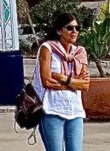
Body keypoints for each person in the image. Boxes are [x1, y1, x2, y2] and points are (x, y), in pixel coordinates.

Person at [33, 13, 90, 151]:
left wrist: (64, 79)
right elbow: (47, 81)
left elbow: (85, 85)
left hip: (74, 109)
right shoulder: (48, 48)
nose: (74, 31)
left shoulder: (80, 52)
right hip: (52, 108)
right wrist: (74, 84)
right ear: (59, 30)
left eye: (77, 28)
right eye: (69, 28)